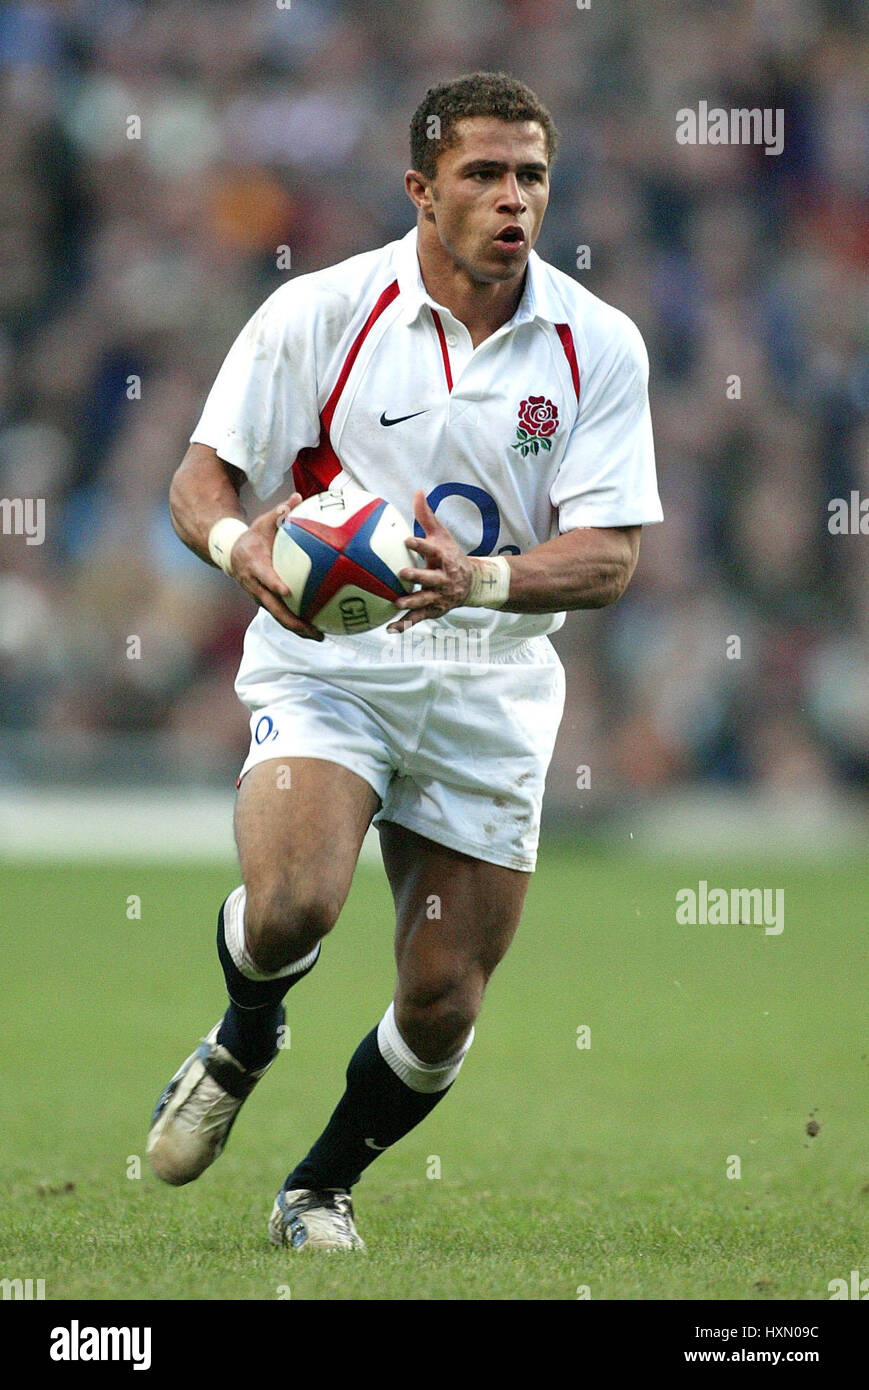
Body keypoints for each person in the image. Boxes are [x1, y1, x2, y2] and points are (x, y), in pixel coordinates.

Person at [147, 71, 662, 1252]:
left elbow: (608, 557)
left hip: (492, 683)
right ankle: (247, 1027)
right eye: (482, 175)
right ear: (421, 190)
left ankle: (317, 1184)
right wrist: (242, 549)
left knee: (439, 1006)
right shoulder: (318, 313)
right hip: (331, 664)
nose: (511, 199)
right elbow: (199, 482)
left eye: (530, 175)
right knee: (290, 906)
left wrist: (475, 579)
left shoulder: (597, 344)